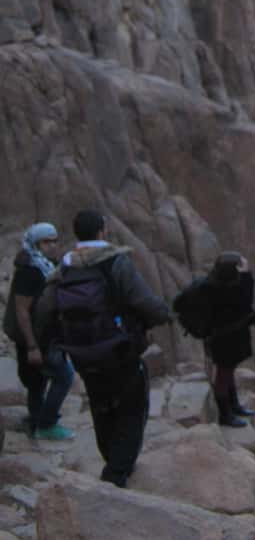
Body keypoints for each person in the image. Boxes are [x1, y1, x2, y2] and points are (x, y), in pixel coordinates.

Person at [36, 209, 169, 488]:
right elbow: (142, 300)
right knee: (132, 406)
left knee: (100, 405)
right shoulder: (115, 261)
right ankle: (116, 474)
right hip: (119, 349)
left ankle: (112, 459)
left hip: (82, 354)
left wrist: (57, 343)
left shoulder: (65, 267)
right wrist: (163, 314)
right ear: (102, 231)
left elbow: (45, 310)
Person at [2, 223, 75, 440]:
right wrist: (32, 345)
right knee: (64, 377)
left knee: (37, 382)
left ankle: (36, 421)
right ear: (36, 244)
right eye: (46, 242)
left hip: (45, 334)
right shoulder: (30, 271)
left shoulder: (46, 266)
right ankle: (47, 423)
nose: (52, 245)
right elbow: (22, 311)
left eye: (54, 241)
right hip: (36, 338)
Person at [205, 251, 255, 427]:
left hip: (225, 337)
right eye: (240, 265)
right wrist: (247, 276)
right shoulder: (227, 289)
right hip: (225, 338)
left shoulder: (218, 284)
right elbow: (246, 301)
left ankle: (233, 406)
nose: (244, 267)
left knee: (228, 371)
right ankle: (225, 415)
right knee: (224, 373)